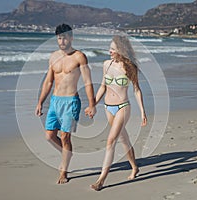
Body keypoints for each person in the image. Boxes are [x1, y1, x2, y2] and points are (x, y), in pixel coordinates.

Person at [35, 24, 96, 184]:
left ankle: (64, 171)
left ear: (71, 38)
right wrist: (40, 101)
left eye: (65, 37)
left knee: (65, 137)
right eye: (59, 38)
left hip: (71, 102)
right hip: (55, 101)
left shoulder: (79, 57)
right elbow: (48, 82)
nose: (62, 41)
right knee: (49, 136)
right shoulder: (53, 57)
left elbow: (88, 82)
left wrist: (92, 104)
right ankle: (67, 153)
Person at [90, 35, 147, 191]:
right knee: (124, 140)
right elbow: (102, 86)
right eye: (110, 48)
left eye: (113, 49)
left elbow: (136, 90)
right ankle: (134, 167)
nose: (110, 51)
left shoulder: (130, 68)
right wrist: (92, 104)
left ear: (121, 50)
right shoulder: (106, 64)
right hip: (108, 107)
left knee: (110, 141)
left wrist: (143, 111)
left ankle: (101, 179)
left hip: (123, 107)